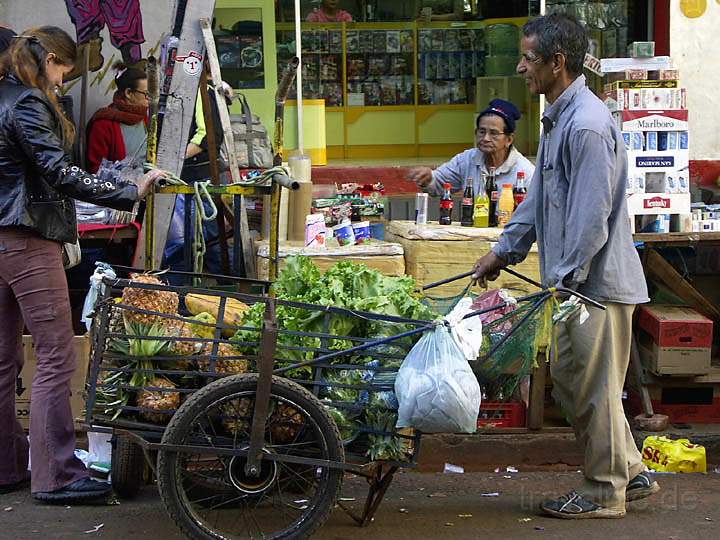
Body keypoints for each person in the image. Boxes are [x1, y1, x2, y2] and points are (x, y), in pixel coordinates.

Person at [472, 14, 658, 519]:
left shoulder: (589, 125)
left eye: (529, 58)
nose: (521, 66)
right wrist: (502, 251)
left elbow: (590, 218)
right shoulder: (559, 118)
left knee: (589, 389)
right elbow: (538, 200)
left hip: (594, 284)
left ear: (558, 63)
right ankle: (632, 473)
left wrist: (565, 281)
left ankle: (605, 492)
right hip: (577, 283)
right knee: (578, 384)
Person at [0, 26, 163, 503]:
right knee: (55, 354)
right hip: (26, 238)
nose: (61, 82)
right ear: (49, 59)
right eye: (63, 73)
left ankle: (9, 464)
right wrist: (128, 191)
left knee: (5, 358)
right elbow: (58, 171)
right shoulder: (26, 103)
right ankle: (57, 475)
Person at [408, 99, 535, 206]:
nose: (485, 138)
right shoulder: (467, 159)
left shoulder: (525, 172)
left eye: (493, 133)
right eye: (481, 131)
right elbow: (439, 183)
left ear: (509, 139)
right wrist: (428, 178)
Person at [86, 62, 148, 173]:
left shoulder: (144, 118)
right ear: (128, 93)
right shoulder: (103, 124)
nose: (150, 98)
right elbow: (96, 169)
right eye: (146, 94)